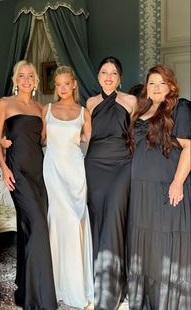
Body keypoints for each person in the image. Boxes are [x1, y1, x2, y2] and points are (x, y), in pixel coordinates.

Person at [0, 60, 57, 310]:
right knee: (39, 228)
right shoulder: (5, 103)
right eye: (22, 75)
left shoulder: (40, 108)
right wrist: (5, 167)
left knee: (29, 229)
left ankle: (24, 289)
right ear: (15, 79)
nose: (27, 79)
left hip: (40, 174)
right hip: (18, 173)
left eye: (31, 76)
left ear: (36, 81)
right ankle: (38, 297)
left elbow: (41, 141)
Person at [127, 64, 191, 309]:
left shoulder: (180, 107)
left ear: (171, 86)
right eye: (151, 83)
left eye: (161, 83)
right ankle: (149, 301)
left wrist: (177, 182)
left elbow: (189, 147)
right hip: (141, 190)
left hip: (167, 187)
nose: (155, 88)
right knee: (147, 247)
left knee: (165, 244)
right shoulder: (142, 108)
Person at [84, 56, 137, 309]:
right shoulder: (91, 103)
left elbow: (137, 135)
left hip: (121, 165)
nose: (108, 77)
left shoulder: (130, 101)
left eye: (113, 73)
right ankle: (99, 281)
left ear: (120, 77)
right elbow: (85, 136)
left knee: (115, 219)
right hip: (94, 166)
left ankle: (113, 288)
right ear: (98, 76)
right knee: (99, 220)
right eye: (104, 72)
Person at [41, 66, 94, 308]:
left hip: (75, 172)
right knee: (58, 222)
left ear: (74, 83)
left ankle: (75, 284)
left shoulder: (84, 113)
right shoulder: (47, 110)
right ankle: (57, 284)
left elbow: (88, 141)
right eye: (58, 84)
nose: (62, 88)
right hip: (53, 171)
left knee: (75, 221)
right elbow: (41, 140)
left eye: (66, 83)